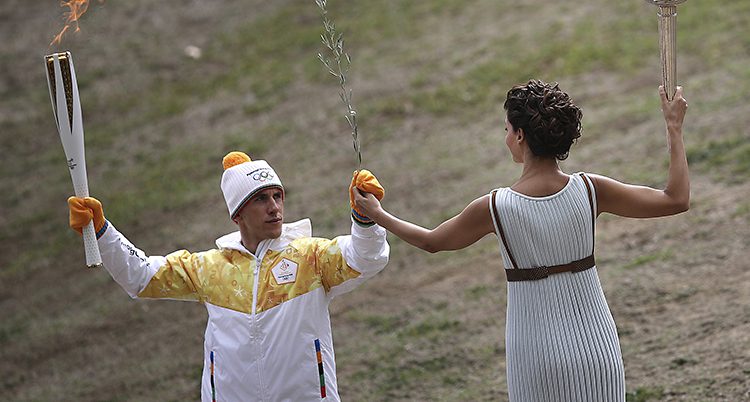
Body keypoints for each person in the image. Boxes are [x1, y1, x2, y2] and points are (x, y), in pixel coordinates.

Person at [352, 80, 689, 401]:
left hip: (535, 352)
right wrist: (673, 127)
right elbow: (676, 199)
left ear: (520, 136)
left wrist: (378, 214)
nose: (506, 136)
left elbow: (432, 241)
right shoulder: (591, 190)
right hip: (596, 347)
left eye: (507, 130)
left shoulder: (496, 207)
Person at [68, 151, 389, 402]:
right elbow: (141, 278)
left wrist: (365, 220)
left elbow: (364, 258)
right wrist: (102, 231)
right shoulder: (210, 268)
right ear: (238, 214)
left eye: (278, 196)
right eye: (261, 199)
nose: (274, 207)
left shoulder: (311, 258)